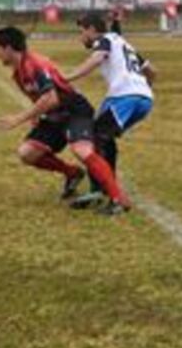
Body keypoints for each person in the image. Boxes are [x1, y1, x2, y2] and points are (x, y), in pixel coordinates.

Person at [0, 26, 133, 216]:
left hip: (75, 111)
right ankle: (72, 173)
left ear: (8, 48)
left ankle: (118, 199)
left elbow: (52, 98)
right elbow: (40, 97)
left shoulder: (34, 64)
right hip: (54, 116)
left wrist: (19, 118)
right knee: (27, 153)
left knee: (81, 150)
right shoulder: (18, 73)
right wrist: (34, 116)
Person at [65, 13, 155, 210]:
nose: (81, 37)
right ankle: (103, 188)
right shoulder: (124, 44)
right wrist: (143, 88)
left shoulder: (104, 40)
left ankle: (107, 192)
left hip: (124, 97)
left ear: (91, 30)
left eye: (81, 32)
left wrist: (68, 77)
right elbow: (152, 71)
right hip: (144, 99)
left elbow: (98, 58)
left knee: (95, 138)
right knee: (103, 136)